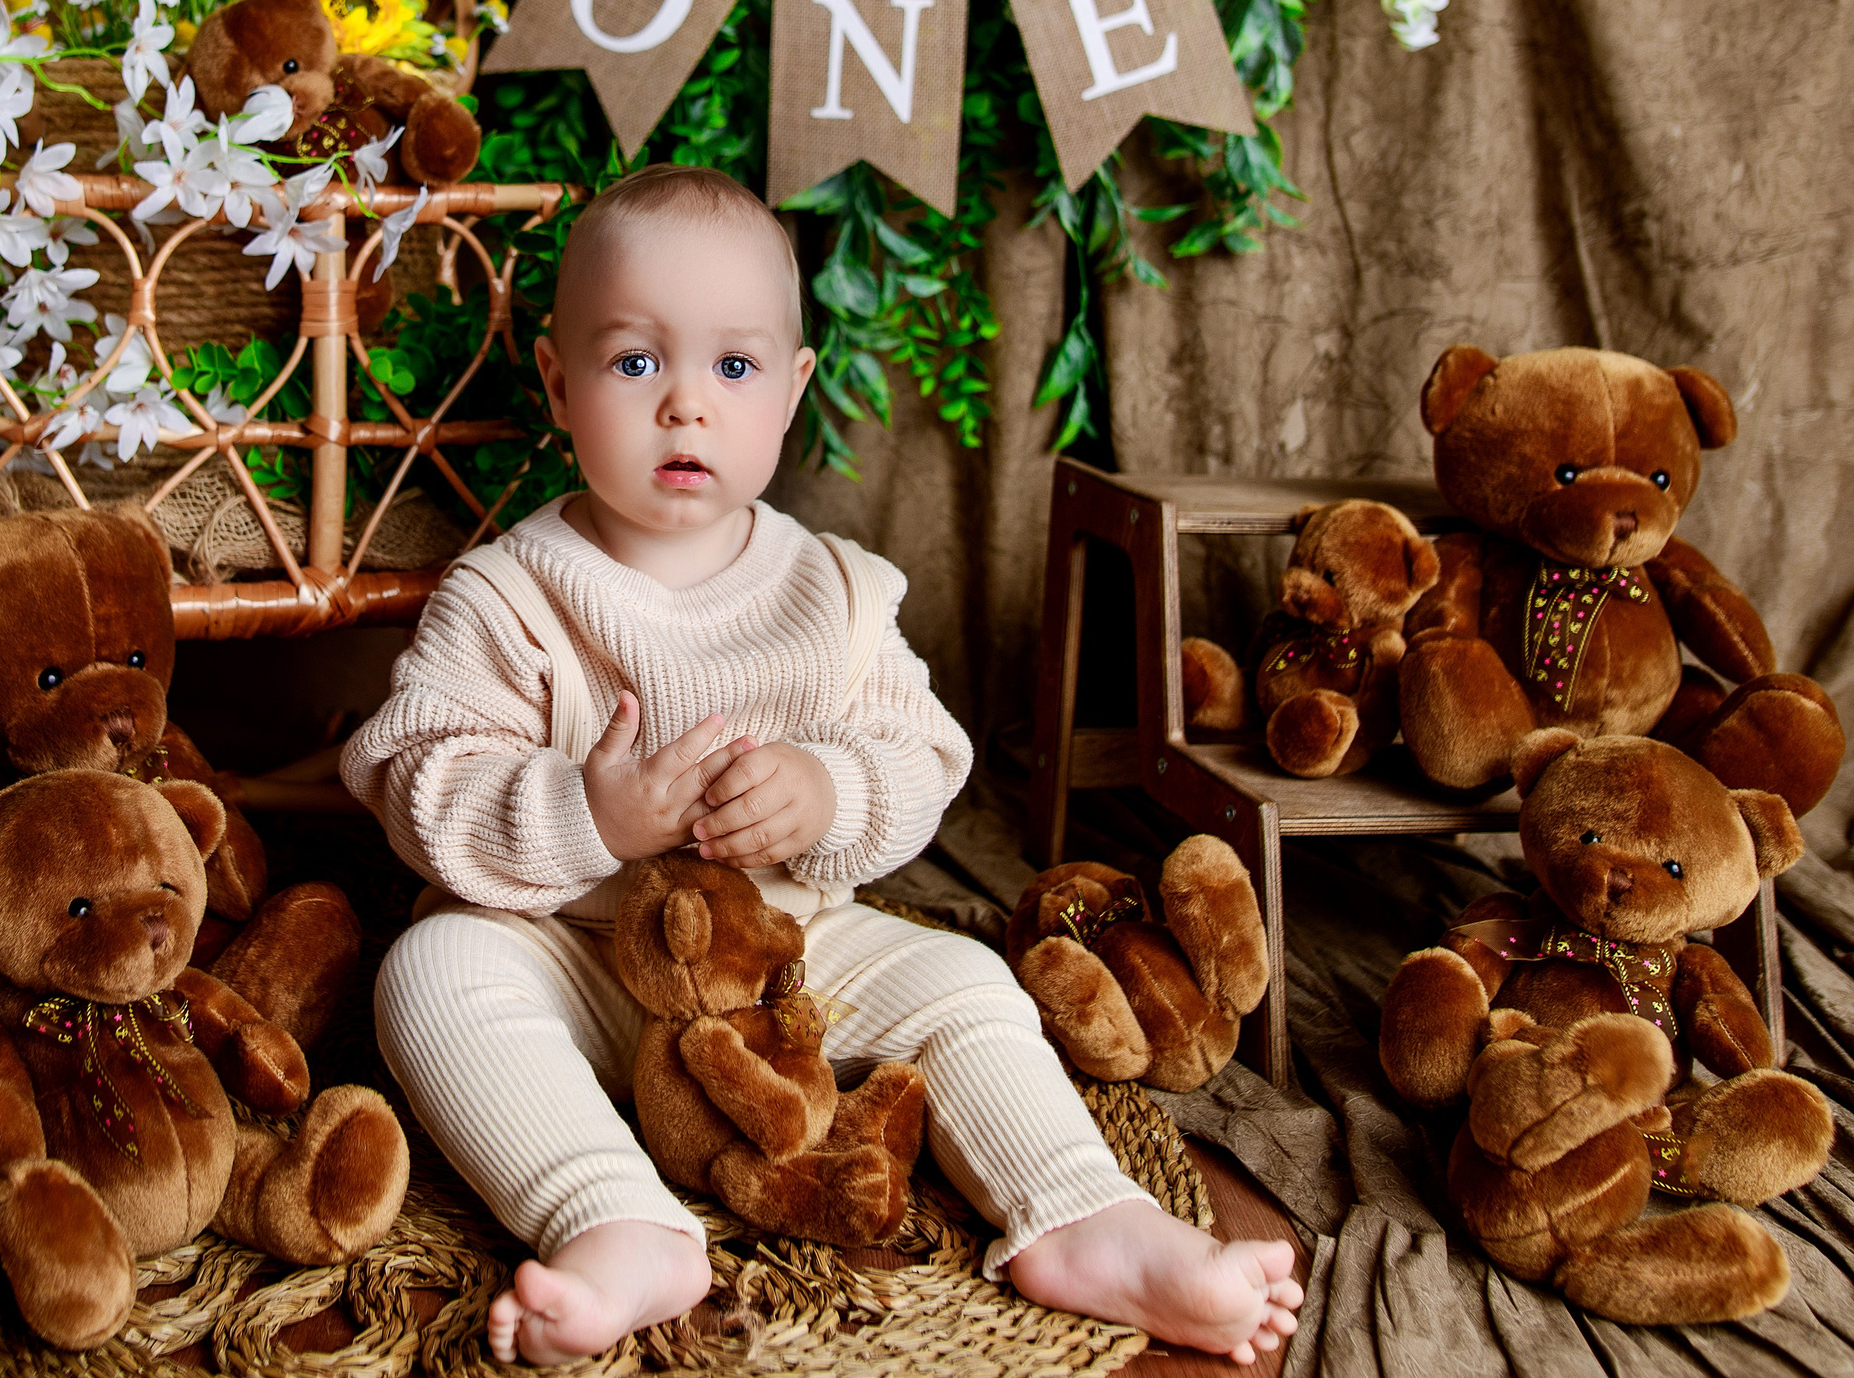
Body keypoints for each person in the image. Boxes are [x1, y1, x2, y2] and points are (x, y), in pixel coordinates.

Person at [347, 164, 1302, 1366]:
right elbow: (411, 774)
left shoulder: (836, 591)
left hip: (796, 958)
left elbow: (922, 752)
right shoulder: (510, 593)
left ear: (793, 389)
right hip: (573, 951)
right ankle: (613, 1218)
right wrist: (585, 810)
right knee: (432, 973)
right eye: (634, 362)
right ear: (558, 381)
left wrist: (827, 789)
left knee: (966, 983)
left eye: (733, 368)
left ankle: (1084, 1214)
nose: (684, 406)